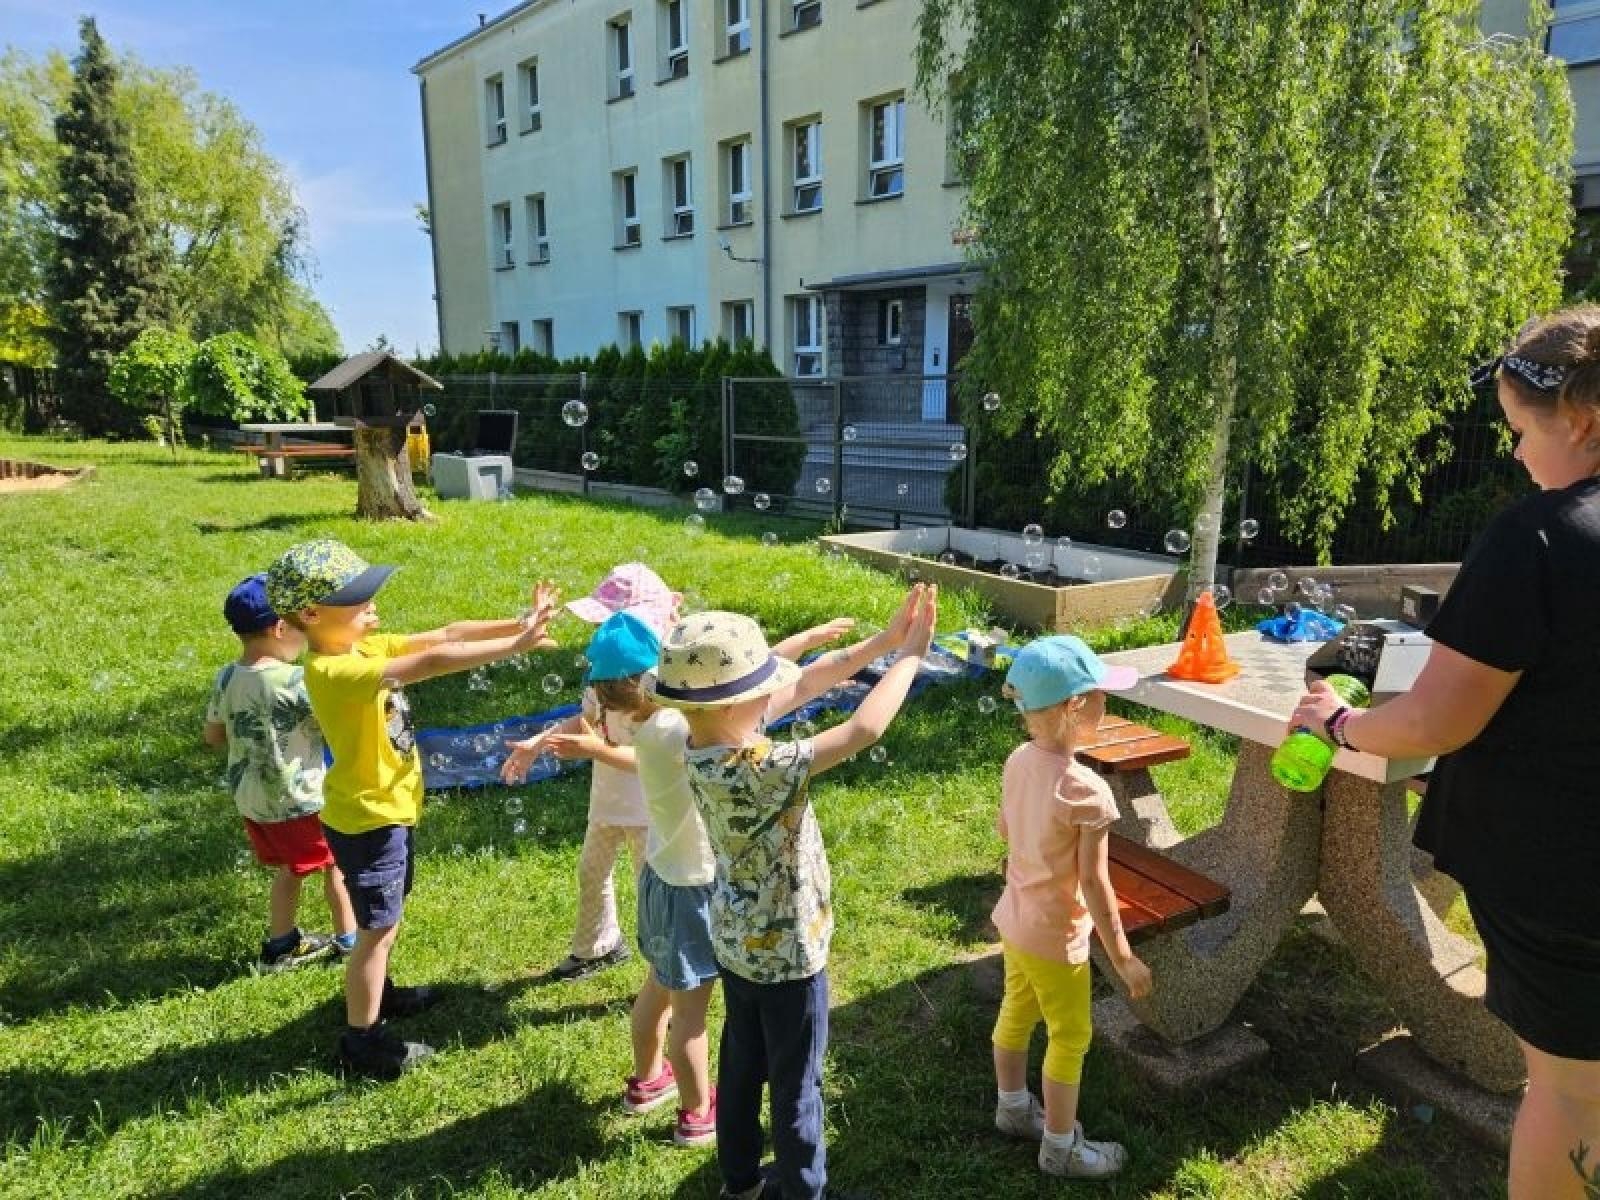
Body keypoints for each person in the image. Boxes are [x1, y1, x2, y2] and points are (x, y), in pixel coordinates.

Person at [1291, 306, 1600, 1200]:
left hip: (1566, 876)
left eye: (1516, 431)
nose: (1511, 455)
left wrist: (1340, 727)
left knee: (1573, 1092)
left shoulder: (1538, 535)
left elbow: (1432, 721)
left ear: (1577, 420)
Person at [648, 584, 938, 1200]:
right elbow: (862, 728)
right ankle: (804, 1190)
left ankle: (739, 1183)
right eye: (761, 691)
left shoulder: (691, 738)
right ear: (737, 706)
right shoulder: (763, 766)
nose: (773, 694)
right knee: (796, 1086)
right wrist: (910, 657)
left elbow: (808, 682)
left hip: (735, 946)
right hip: (789, 958)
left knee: (742, 1065)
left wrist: (883, 642)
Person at [266, 538, 560, 1080]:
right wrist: (515, 645)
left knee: (386, 923)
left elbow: (446, 634)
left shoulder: (359, 649)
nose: (373, 600)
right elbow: (431, 660)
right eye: (357, 597)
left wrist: (515, 622)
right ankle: (362, 1043)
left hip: (388, 812)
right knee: (376, 931)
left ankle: (379, 994)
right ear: (311, 614)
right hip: (369, 821)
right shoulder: (332, 672)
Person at [991, 635, 1153, 1180]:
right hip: (1056, 937)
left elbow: (1005, 830)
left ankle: (1013, 1110)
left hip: (1014, 921)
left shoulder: (1017, 760)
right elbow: (1095, 882)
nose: (1108, 704)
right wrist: (1124, 956)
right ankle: (1059, 1148)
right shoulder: (1086, 791)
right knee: (1070, 1036)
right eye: (1101, 694)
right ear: (1073, 707)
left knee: (1017, 1009)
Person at [502, 563, 682, 982]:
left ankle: (669, 969)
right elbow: (581, 719)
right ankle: (596, 947)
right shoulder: (603, 682)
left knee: (651, 891)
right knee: (591, 872)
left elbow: (653, 761)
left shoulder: (663, 700)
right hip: (606, 803)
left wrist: (597, 748)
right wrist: (538, 743)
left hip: (647, 813)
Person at [203, 573, 357, 971]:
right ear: (281, 627)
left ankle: (280, 945)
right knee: (337, 866)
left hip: (254, 799)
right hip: (300, 798)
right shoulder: (295, 680)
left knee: (291, 869)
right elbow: (333, 725)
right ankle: (350, 943)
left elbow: (213, 735)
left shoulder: (227, 676)